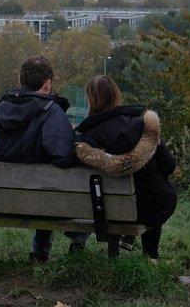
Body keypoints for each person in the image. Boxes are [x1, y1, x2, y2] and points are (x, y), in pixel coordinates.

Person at [0, 55, 89, 262]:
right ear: (47, 84)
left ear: (20, 80)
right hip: (41, 204)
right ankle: (77, 239)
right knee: (56, 187)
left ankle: (40, 253)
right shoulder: (51, 112)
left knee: (43, 189)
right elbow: (64, 156)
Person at [74, 75, 177, 259]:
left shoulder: (84, 138)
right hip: (150, 208)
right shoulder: (143, 126)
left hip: (100, 211)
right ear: (116, 96)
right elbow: (169, 166)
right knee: (154, 190)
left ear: (90, 101)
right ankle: (150, 255)